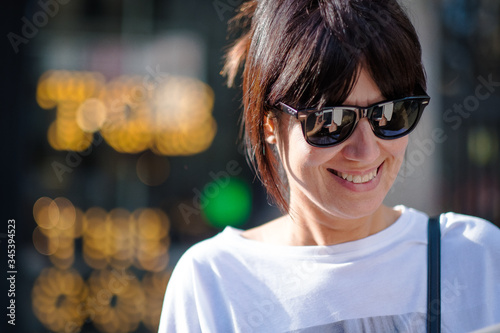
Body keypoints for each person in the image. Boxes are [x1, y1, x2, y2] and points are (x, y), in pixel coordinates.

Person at [159, 0, 500, 332]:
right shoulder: (214, 283)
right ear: (269, 125)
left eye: (390, 114)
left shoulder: (473, 258)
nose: (365, 150)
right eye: (332, 121)